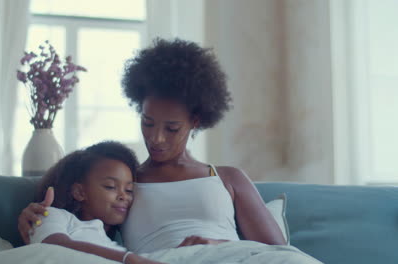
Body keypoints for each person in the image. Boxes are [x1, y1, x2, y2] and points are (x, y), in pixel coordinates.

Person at [18, 38, 321, 263]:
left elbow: (278, 250)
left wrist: (215, 243)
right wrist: (34, 220)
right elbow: (84, 229)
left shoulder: (227, 177)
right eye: (147, 123)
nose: (156, 138)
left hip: (234, 256)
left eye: (171, 128)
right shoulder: (125, 182)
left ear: (196, 121)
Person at [28, 141, 163, 264]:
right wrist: (126, 258)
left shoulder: (111, 245)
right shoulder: (51, 214)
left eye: (129, 190)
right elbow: (53, 246)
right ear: (80, 192)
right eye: (110, 186)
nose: (124, 196)